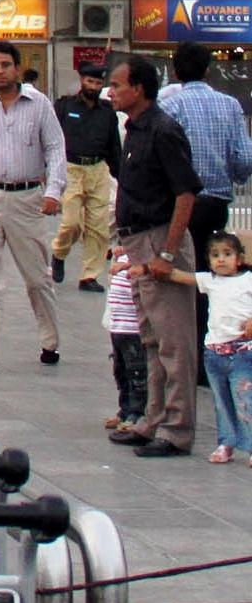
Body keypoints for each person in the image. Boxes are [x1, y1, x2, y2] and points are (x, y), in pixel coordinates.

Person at [106, 53, 201, 457]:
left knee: (174, 343)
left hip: (160, 240)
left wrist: (168, 251)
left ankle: (177, 430)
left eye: (117, 85)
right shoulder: (135, 130)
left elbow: (185, 192)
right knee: (150, 338)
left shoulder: (163, 130)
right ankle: (153, 419)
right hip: (137, 242)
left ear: (138, 88)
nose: (111, 92)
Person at [0, 39, 67, 375]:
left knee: (36, 278)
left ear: (17, 68)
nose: (0, 71)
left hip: (27, 198)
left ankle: (50, 341)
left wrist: (54, 191)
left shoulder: (39, 105)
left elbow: (55, 149)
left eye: (6, 65)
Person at [160, 40, 252, 380]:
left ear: (174, 70)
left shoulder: (169, 105)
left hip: (178, 205)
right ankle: (209, 356)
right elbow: (244, 159)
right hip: (216, 203)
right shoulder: (229, 105)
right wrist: (232, 173)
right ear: (209, 69)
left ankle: (182, 358)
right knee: (212, 275)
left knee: (182, 279)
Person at [132, 232, 252, 466]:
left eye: (227, 254)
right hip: (214, 352)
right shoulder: (210, 280)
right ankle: (226, 443)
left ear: (239, 258)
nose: (221, 260)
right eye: (215, 255)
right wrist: (147, 269)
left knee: (245, 399)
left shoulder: (247, 280)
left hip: (241, 350)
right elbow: (177, 275)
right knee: (221, 401)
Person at [51, 60, 120, 291]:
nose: (94, 86)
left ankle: (89, 276)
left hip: (98, 170)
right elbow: (50, 140)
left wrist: (122, 176)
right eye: (90, 81)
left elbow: (114, 146)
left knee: (98, 228)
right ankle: (59, 253)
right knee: (71, 223)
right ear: (82, 81)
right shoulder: (64, 106)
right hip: (70, 168)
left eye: (99, 82)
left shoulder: (107, 112)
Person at [103, 250, 148, 433]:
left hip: (133, 329)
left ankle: (137, 413)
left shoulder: (139, 256)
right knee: (120, 371)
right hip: (118, 326)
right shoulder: (121, 255)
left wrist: (126, 264)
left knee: (136, 372)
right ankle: (125, 409)